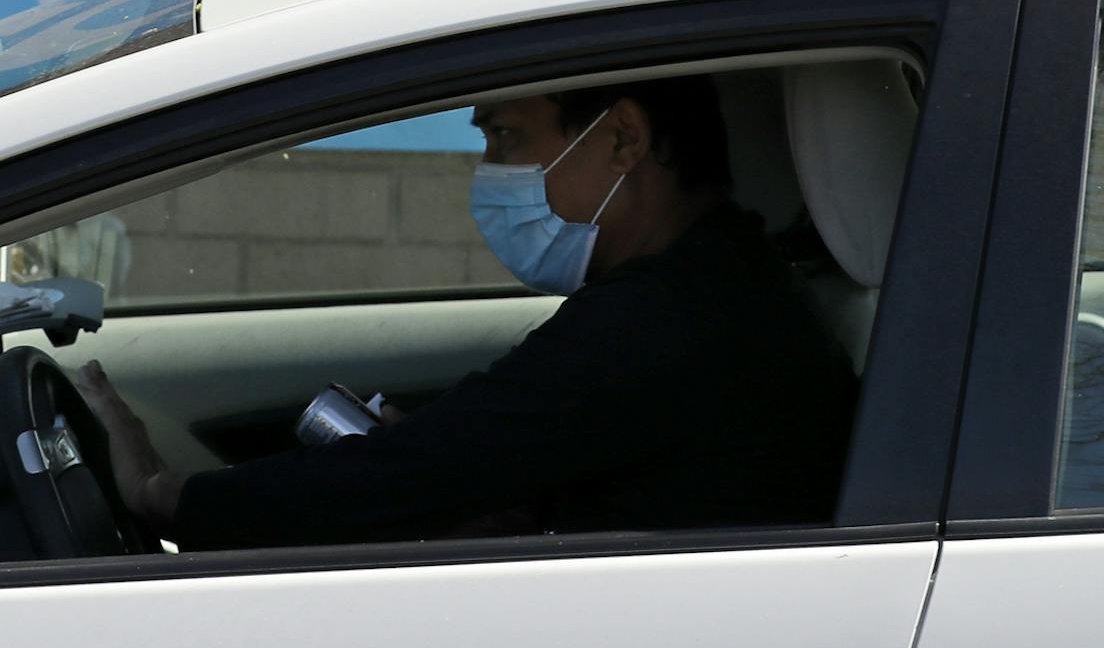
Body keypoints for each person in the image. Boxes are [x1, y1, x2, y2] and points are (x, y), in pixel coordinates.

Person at [75, 77, 859, 551]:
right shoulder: (726, 280)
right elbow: (473, 454)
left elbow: (414, 473)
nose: (492, 176)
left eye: (509, 139)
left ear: (623, 139)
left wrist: (165, 495)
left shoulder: (671, 320)